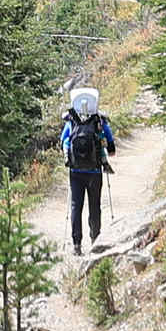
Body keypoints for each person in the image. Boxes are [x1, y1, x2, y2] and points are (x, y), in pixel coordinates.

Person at [60, 87, 118, 253]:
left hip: (76, 172)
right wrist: (107, 151)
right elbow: (111, 146)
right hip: (95, 171)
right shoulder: (99, 121)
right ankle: (95, 240)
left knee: (75, 206)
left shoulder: (71, 121)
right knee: (94, 205)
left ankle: (77, 245)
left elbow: (63, 140)